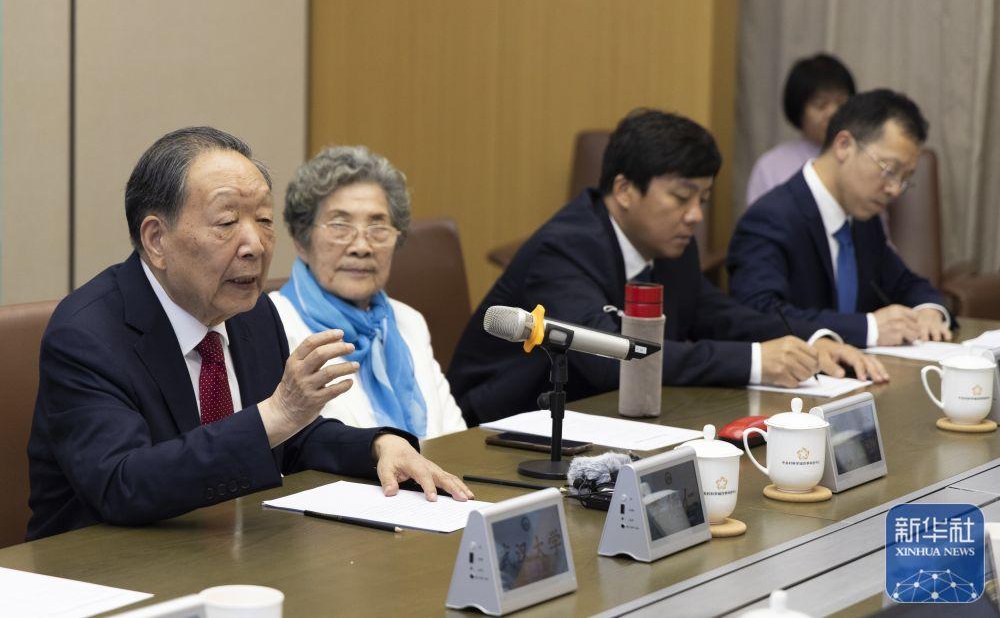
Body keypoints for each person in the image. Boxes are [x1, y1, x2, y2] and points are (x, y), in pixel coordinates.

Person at [26, 127, 473, 541]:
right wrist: (275, 414)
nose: (255, 245)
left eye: (263, 220)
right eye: (227, 223)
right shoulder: (88, 334)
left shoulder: (251, 312)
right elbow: (122, 484)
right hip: (104, 568)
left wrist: (377, 445)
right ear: (157, 240)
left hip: (230, 553)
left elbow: (288, 439)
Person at [447, 109, 886, 426]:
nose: (695, 216)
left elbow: (719, 314)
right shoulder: (563, 248)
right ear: (624, 189)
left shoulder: (671, 244)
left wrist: (811, 341)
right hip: (503, 425)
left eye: (703, 200)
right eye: (681, 197)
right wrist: (756, 361)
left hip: (601, 417)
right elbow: (609, 356)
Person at [727, 89, 952, 349]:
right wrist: (869, 328)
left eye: (905, 178)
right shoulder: (770, 218)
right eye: (890, 170)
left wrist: (928, 310)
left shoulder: (863, 217)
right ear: (844, 145)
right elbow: (760, 315)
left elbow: (904, 283)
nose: (894, 189)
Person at [270, 146, 466, 439]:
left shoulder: (408, 322)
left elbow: (454, 440)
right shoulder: (272, 328)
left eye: (377, 227)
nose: (362, 246)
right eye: (340, 226)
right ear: (301, 240)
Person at [746, 53, 856, 206]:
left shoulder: (864, 158)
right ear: (799, 109)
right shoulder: (771, 166)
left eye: (841, 103)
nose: (833, 113)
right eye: (820, 105)